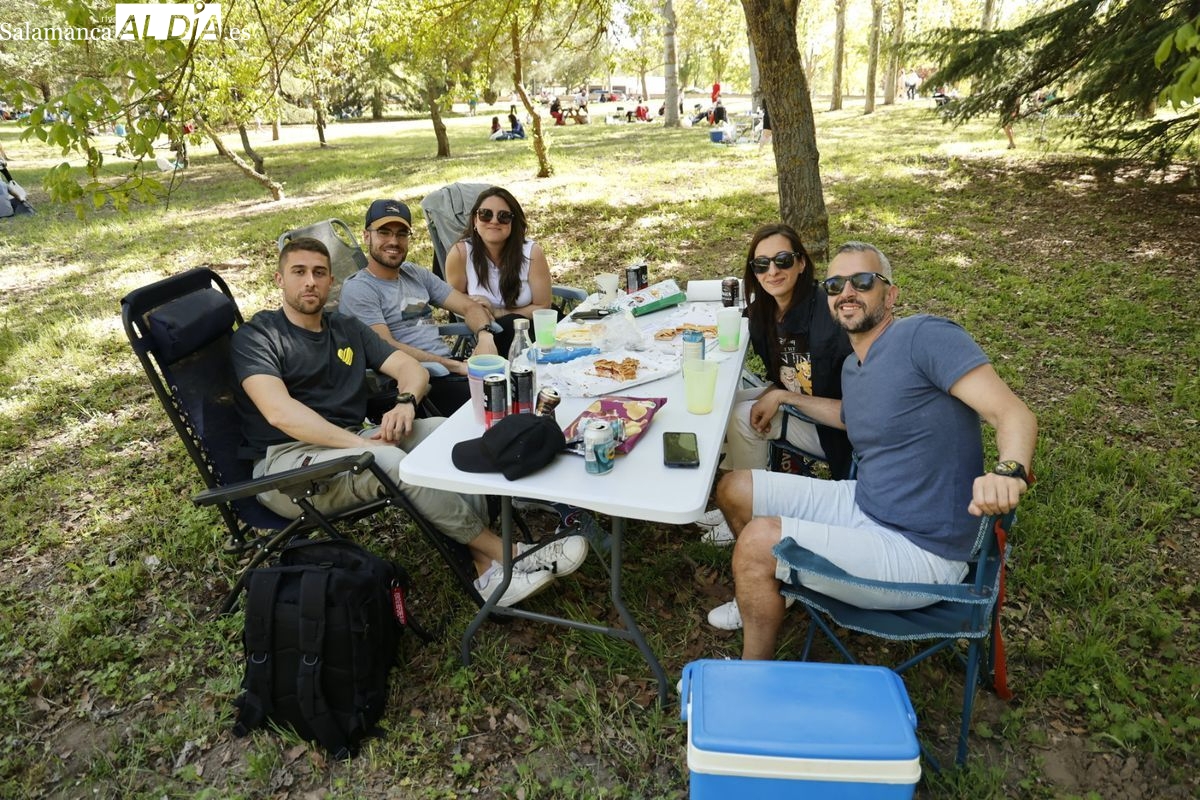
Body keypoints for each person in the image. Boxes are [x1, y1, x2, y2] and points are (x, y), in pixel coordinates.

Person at [705, 242, 1037, 648]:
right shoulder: (854, 365)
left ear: (890, 294)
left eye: (862, 281)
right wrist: (786, 396)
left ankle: (751, 672)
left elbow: (1013, 413)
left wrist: (1009, 470)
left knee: (759, 541)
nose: (847, 292)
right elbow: (850, 415)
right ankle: (773, 583)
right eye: (835, 285)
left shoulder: (925, 336)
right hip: (865, 502)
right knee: (734, 488)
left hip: (923, 550)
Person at [232, 237, 588, 607]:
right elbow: (280, 413)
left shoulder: (345, 329)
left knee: (444, 432)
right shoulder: (259, 337)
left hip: (349, 443)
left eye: (319, 273)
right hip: (288, 468)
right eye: (299, 272)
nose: (310, 281)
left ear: (330, 281)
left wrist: (405, 403)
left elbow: (410, 369)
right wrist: (362, 444)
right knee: (386, 461)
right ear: (279, 279)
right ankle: (509, 554)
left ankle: (485, 570)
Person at [695, 224, 853, 549]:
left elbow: (852, 411)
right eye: (761, 264)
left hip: (836, 431)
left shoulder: (830, 317)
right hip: (799, 398)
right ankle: (732, 497)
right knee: (723, 404)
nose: (772, 271)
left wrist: (779, 396)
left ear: (801, 262)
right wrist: (778, 393)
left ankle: (751, 511)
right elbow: (783, 375)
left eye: (783, 260)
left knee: (742, 417)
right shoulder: (764, 312)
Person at [338, 199, 498, 414]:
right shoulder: (359, 289)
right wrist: (456, 366)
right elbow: (385, 347)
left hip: (448, 370)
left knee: (518, 382)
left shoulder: (414, 273)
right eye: (384, 232)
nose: (394, 241)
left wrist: (485, 336)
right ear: (367, 236)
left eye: (401, 234)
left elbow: (470, 307)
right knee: (500, 398)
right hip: (413, 384)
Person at [444, 187, 553, 358]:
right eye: (485, 214)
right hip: (489, 331)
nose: (494, 221)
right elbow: (453, 302)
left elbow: (543, 306)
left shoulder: (532, 252)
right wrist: (476, 307)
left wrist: (498, 313)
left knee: (509, 324)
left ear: (513, 223)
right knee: (504, 328)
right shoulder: (460, 254)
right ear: (475, 220)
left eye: (504, 216)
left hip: (535, 330)